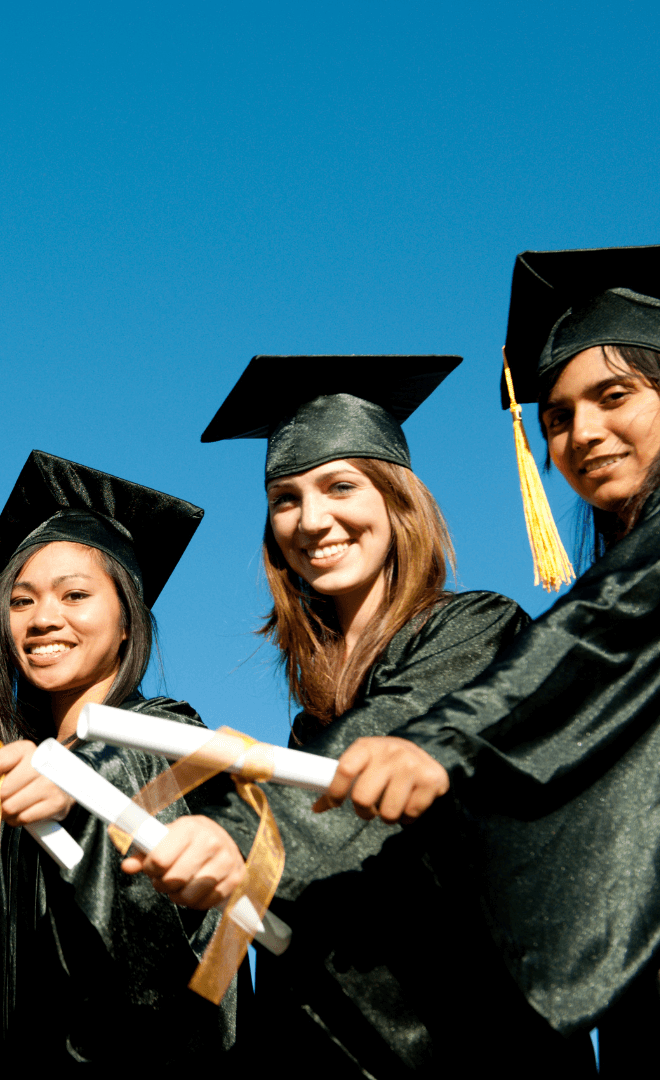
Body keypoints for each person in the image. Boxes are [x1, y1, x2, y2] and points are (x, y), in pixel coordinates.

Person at [319, 241, 660, 1077]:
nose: (582, 433)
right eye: (557, 415)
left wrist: (443, 741)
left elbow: (592, 639)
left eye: (614, 396)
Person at [199, 355, 594, 1077]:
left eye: (340, 485)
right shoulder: (306, 726)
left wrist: (232, 831)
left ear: (397, 501)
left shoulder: (478, 635)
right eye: (285, 498)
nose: (312, 519)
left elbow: (394, 729)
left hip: (469, 1041)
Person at [0, 450, 252, 1071]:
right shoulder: (14, 774)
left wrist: (74, 778)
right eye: (21, 601)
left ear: (126, 623)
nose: (44, 619)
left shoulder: (170, 736)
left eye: (75, 594)